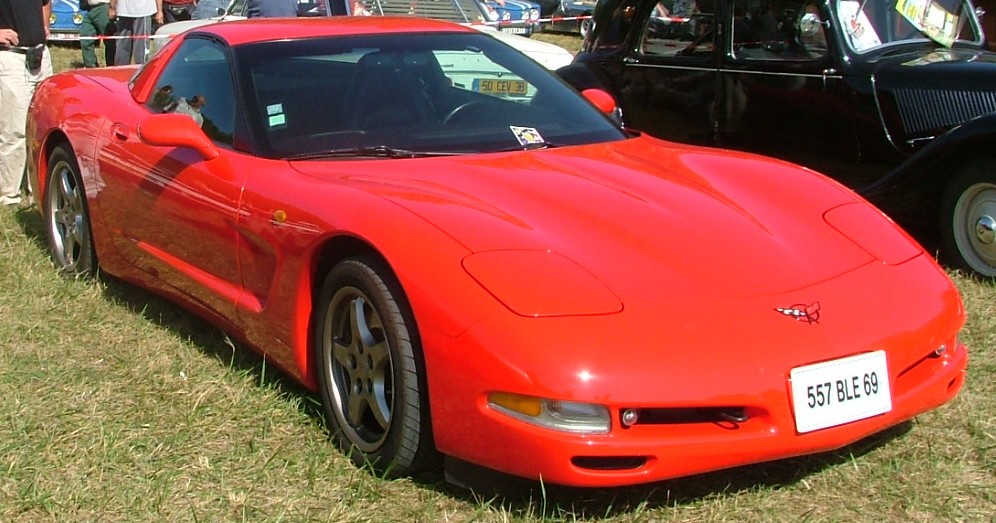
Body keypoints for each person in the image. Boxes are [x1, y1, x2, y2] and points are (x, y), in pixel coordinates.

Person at [0, 0, 54, 207]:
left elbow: (45, 3)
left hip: (40, 57)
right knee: (14, 131)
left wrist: (44, 25)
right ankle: (9, 195)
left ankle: (37, 189)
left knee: (42, 126)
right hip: (12, 59)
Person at [111, 0, 163, 65]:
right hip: (123, 11)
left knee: (141, 48)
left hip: (143, 12)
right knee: (122, 46)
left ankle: (141, 70)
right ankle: (120, 71)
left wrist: (159, 10)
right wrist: (112, 7)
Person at [80, 0, 117, 68]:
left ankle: (112, 66)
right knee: (85, 37)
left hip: (103, 7)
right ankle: (90, 65)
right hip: (89, 9)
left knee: (109, 40)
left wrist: (112, 8)